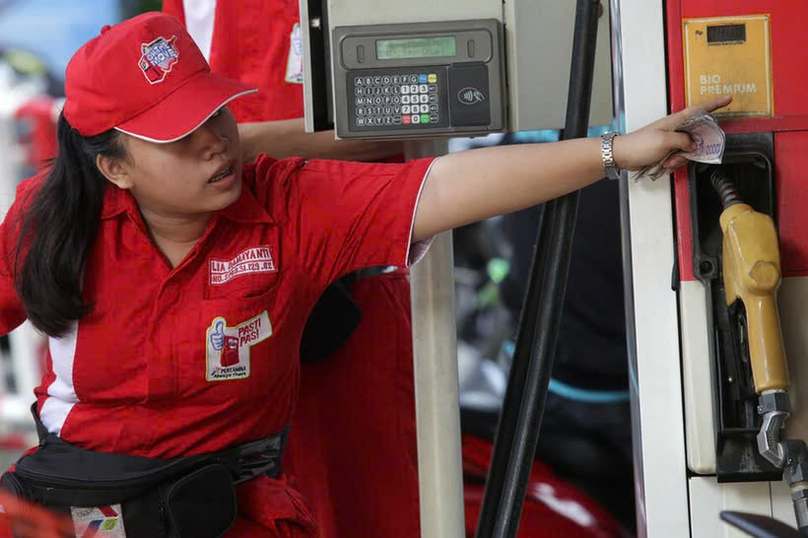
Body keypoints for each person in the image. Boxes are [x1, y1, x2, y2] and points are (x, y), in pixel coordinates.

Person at [0, 12, 731, 538]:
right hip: (76, 503)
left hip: (226, 512)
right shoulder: (49, 216)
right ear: (113, 168)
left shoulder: (286, 203)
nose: (216, 148)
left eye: (217, 118)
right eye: (179, 140)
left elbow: (441, 188)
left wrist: (612, 153)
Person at [158, 3, 419, 536]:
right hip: (214, 305)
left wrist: (235, 146)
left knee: (364, 509)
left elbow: (414, 116)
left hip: (345, 293)